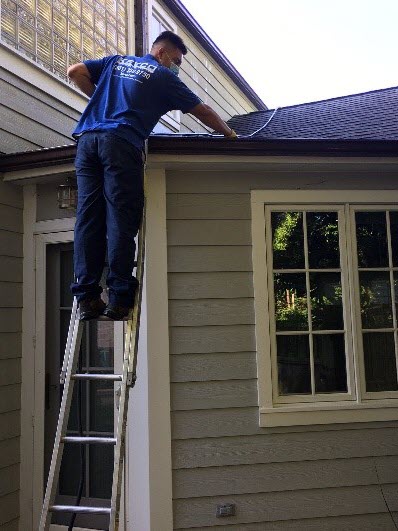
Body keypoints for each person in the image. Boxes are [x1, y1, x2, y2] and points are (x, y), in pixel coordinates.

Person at [68, 31, 237, 321]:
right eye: (176, 60)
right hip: (120, 143)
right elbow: (204, 111)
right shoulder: (162, 77)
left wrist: (100, 100)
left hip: (87, 141)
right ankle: (119, 299)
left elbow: (75, 71)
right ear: (161, 53)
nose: (176, 66)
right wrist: (230, 134)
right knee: (121, 218)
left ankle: (87, 299)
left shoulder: (116, 62)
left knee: (88, 218)